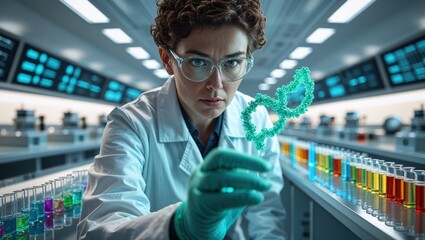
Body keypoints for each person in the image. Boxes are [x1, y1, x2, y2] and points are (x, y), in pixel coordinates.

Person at [77, 0, 286, 239]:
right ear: (167, 59)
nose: (216, 85)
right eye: (198, 62)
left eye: (232, 63)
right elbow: (101, 228)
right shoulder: (131, 124)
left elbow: (267, 214)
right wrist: (181, 226)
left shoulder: (257, 119)